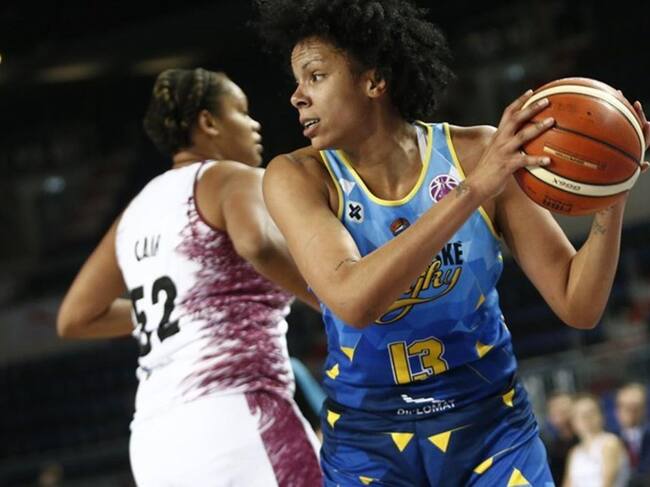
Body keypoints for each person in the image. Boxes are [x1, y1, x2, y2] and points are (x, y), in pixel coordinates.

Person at [254, 0, 650, 484]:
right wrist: (472, 192)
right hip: (370, 441)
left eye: (315, 76)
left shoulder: (480, 152)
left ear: (374, 81)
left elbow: (578, 304)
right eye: (297, 81)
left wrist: (611, 194)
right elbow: (352, 299)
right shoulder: (296, 176)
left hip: (492, 428)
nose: (297, 96)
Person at [57, 68, 322, 486]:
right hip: (236, 413)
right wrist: (335, 301)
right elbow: (257, 245)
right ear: (208, 122)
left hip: (154, 441)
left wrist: (192, 303)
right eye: (241, 112)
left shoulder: (135, 211)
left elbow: (76, 318)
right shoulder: (231, 177)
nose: (254, 124)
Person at [563, 394, 629, 487]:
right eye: (579, 414)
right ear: (573, 421)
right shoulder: (574, 452)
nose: (585, 418)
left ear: (601, 415)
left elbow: (607, 484)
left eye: (591, 412)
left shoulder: (610, 443)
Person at [614, 382, 650, 486]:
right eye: (626, 406)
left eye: (636, 406)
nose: (631, 412)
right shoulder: (609, 439)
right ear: (617, 410)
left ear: (644, 409)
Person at [541, 392, 578, 484]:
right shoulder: (544, 444)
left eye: (565, 410)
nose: (562, 416)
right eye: (556, 411)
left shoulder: (585, 440)